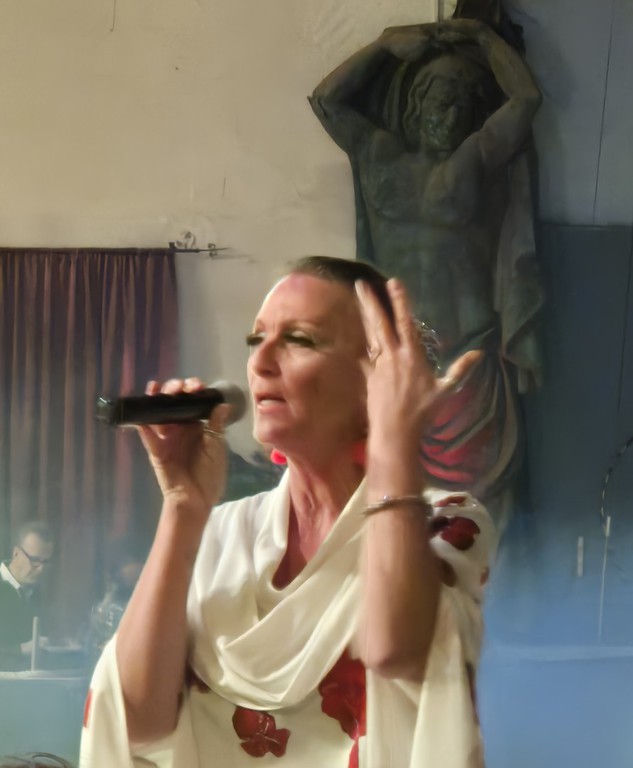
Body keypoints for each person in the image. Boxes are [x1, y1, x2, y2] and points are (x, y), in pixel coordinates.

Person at [81, 256, 494, 768]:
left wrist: (394, 438)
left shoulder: (447, 522)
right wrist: (183, 508)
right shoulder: (221, 532)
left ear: (381, 378)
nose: (260, 362)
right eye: (256, 340)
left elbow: (395, 652)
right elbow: (134, 721)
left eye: (299, 340)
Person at [309, 19, 543, 506]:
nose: (451, 116)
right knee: (392, 497)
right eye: (441, 102)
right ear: (417, 106)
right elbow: (327, 100)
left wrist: (484, 39)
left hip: (468, 357)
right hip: (396, 354)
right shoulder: (379, 154)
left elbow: (525, 101)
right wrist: (384, 45)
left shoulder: (474, 159)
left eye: (463, 107)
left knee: (477, 508)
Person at [0, 521, 54, 669]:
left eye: (46, 562)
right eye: (35, 560)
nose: (41, 569)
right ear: (16, 553)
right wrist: (21, 649)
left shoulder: (34, 594)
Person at [89, 537, 148, 658]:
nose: (123, 570)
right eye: (121, 564)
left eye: (127, 562)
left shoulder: (149, 597)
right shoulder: (114, 595)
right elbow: (99, 625)